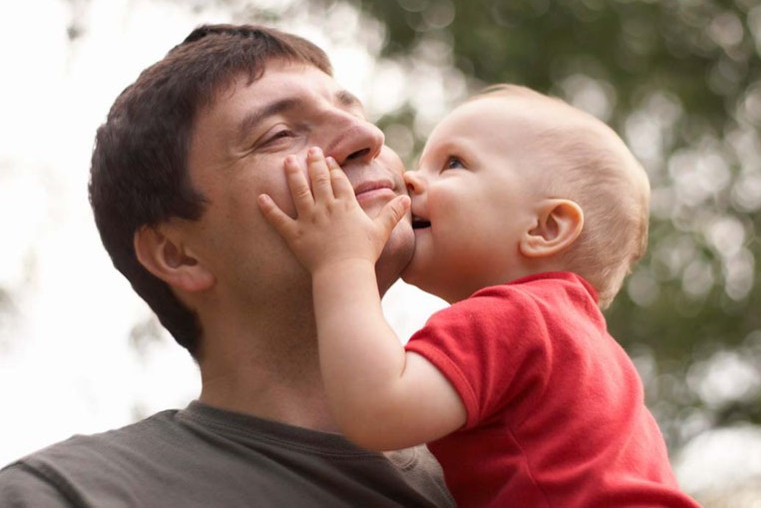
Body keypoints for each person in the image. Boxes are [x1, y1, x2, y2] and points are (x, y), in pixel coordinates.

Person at [0, 24, 454, 507]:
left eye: (352, 109)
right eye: (279, 134)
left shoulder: (511, 460)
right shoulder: (71, 495)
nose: (367, 135)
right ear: (179, 253)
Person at [258, 84, 701, 507]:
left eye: (453, 164)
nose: (411, 179)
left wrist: (342, 262)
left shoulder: (514, 316)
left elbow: (377, 411)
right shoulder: (586, 345)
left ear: (545, 229)